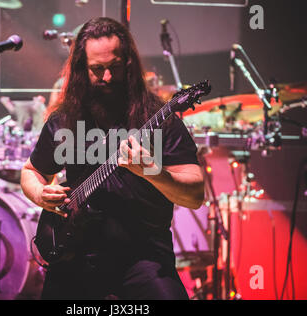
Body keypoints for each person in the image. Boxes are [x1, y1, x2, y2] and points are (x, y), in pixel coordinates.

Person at [21, 17, 204, 300]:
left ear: (128, 65)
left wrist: (152, 172)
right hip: (75, 255)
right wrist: (40, 193)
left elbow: (194, 194)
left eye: (114, 68)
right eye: (97, 69)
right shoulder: (65, 120)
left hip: (143, 257)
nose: (107, 77)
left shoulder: (157, 118)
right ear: (82, 69)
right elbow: (31, 171)